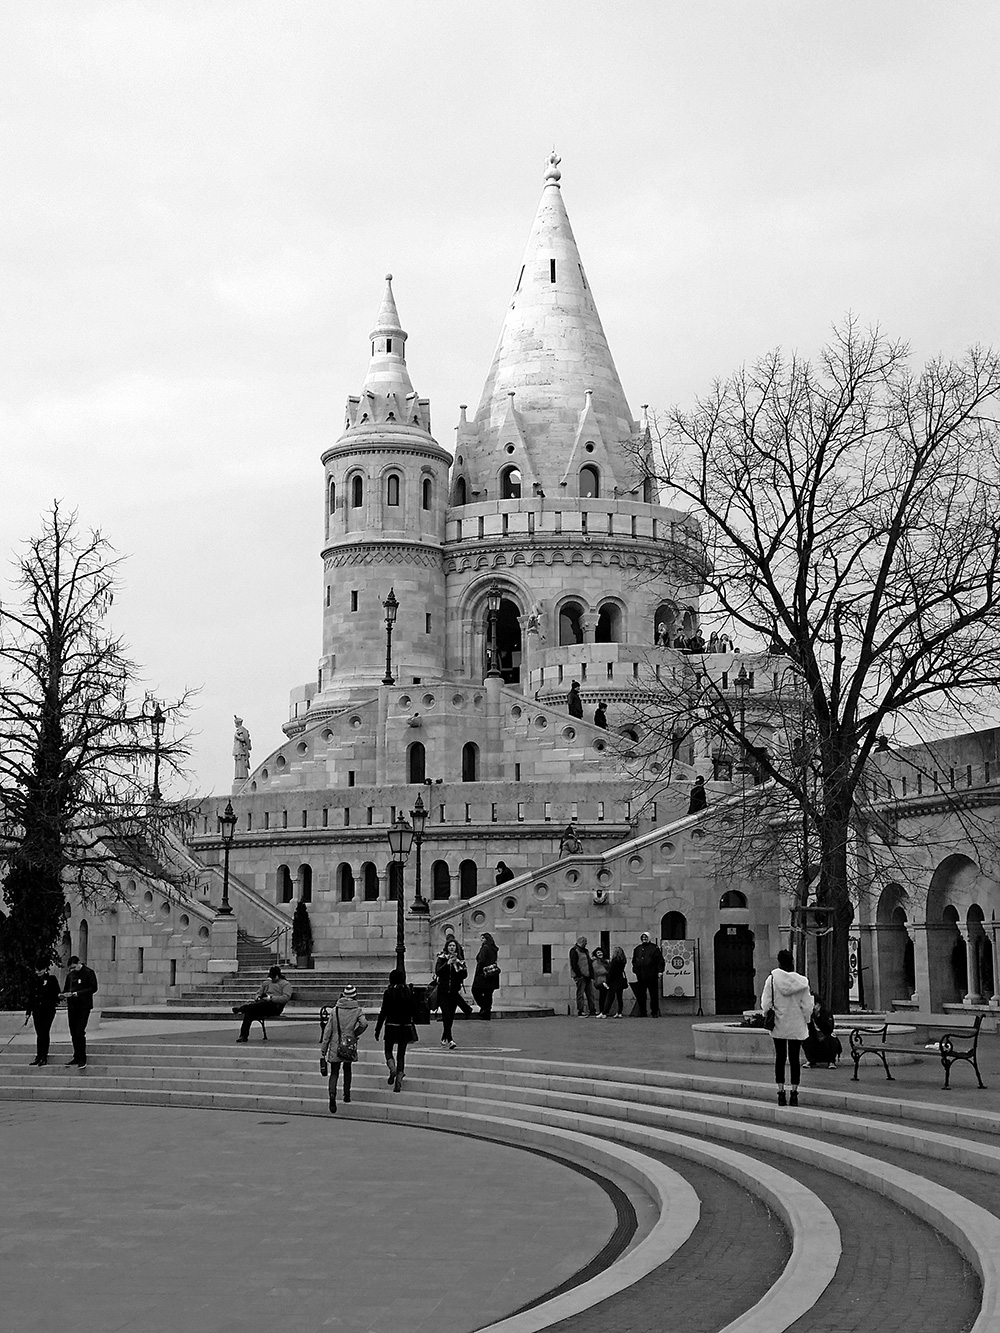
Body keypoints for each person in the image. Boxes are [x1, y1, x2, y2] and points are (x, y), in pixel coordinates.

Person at [760, 948, 814, 1106]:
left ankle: (781, 1092)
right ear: (792, 962)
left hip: (779, 1023)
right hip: (796, 1024)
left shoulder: (772, 980)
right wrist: (806, 1019)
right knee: (795, 1058)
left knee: (780, 1057)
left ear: (779, 962)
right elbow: (807, 1006)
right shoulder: (802, 982)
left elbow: (766, 1003)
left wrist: (767, 1013)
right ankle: (795, 1093)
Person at [319, 985, 368, 1113]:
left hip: (335, 1044)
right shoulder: (357, 1010)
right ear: (355, 995)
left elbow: (328, 1031)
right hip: (349, 1043)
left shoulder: (335, 1010)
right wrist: (355, 1033)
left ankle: (332, 1095)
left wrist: (323, 1049)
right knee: (347, 1068)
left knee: (334, 1072)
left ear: (343, 995)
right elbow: (364, 1023)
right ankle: (347, 1094)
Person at [374, 970, 415, 1092]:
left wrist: (378, 1028)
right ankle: (399, 1077)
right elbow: (413, 1009)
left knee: (388, 1050)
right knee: (401, 1053)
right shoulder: (408, 992)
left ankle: (392, 1068)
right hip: (405, 1026)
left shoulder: (388, 992)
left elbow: (383, 1012)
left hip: (391, 1025)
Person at [233, 965, 293, 1043]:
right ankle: (243, 1036)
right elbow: (258, 992)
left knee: (258, 1006)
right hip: (262, 1005)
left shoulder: (285, 984)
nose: (272, 979)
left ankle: (242, 1008)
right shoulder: (266, 983)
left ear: (278, 976)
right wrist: (258, 997)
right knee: (249, 1013)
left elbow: (285, 998)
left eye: (273, 977)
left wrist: (271, 998)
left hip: (275, 1006)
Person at [61, 955, 98, 1067]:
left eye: (74, 967)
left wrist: (78, 993)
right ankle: (76, 1055)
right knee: (73, 1032)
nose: (72, 970)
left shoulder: (88, 972)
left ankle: (82, 1057)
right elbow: (66, 989)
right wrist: (65, 994)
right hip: (72, 1006)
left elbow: (93, 988)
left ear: (79, 963)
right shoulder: (70, 976)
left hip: (83, 1006)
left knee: (79, 1031)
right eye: (70, 968)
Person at [435, 939, 468, 1049]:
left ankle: (444, 1037)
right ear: (447, 947)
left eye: (453, 946)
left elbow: (464, 975)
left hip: (454, 992)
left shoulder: (459, 960)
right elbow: (438, 971)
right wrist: (447, 964)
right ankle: (450, 1039)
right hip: (443, 991)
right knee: (446, 1015)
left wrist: (457, 965)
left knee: (450, 1017)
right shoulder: (442, 958)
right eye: (450, 946)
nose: (452, 948)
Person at [26, 962, 61, 1066]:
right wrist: (28, 1011)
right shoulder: (34, 981)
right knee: (39, 1033)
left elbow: (56, 994)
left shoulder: (51, 979)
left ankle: (44, 1056)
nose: (38, 972)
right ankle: (39, 1055)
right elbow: (31, 997)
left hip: (48, 1010)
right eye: (36, 970)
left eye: (40, 970)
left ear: (45, 969)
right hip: (37, 1011)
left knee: (44, 1032)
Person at [803, 998, 843, 1068]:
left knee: (831, 1040)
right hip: (815, 1036)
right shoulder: (809, 1014)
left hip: (826, 1035)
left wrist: (819, 1018)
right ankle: (811, 1060)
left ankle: (831, 1061)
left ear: (819, 1005)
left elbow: (829, 1028)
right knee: (807, 1040)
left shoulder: (826, 1013)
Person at [631, 932, 665, 1017]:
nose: (644, 939)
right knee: (641, 995)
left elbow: (660, 960)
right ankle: (642, 1012)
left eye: (645, 937)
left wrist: (660, 971)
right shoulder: (637, 949)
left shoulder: (654, 948)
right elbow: (634, 961)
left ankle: (654, 1011)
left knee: (653, 994)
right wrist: (635, 970)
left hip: (652, 975)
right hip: (641, 975)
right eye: (643, 938)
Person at [472, 932, 501, 1018]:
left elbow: (481, 961)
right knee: (488, 994)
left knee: (475, 990)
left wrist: (479, 971)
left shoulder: (485, 948)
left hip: (484, 974)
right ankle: (486, 1012)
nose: (482, 940)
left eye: (483, 938)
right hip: (492, 974)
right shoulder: (493, 949)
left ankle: (485, 1008)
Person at [569, 936, 597, 1016]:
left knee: (590, 993)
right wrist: (579, 975)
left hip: (587, 975)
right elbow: (574, 964)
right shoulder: (574, 951)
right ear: (582, 942)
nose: (586, 943)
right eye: (585, 942)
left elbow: (588, 962)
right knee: (580, 993)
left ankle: (592, 1009)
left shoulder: (585, 951)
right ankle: (580, 1010)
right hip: (580, 975)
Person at [605, 946, 628, 1018]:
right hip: (620, 980)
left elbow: (611, 972)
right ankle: (619, 1012)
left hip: (614, 981)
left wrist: (607, 981)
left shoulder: (614, 961)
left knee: (610, 997)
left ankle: (604, 1012)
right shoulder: (623, 960)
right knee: (619, 997)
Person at [591, 948, 610, 1015]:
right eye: (598, 953)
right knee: (602, 996)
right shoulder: (595, 962)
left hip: (606, 980)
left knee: (604, 996)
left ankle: (604, 1010)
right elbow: (597, 971)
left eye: (601, 952)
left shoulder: (605, 961)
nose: (600, 954)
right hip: (600, 981)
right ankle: (602, 1010)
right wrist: (607, 971)